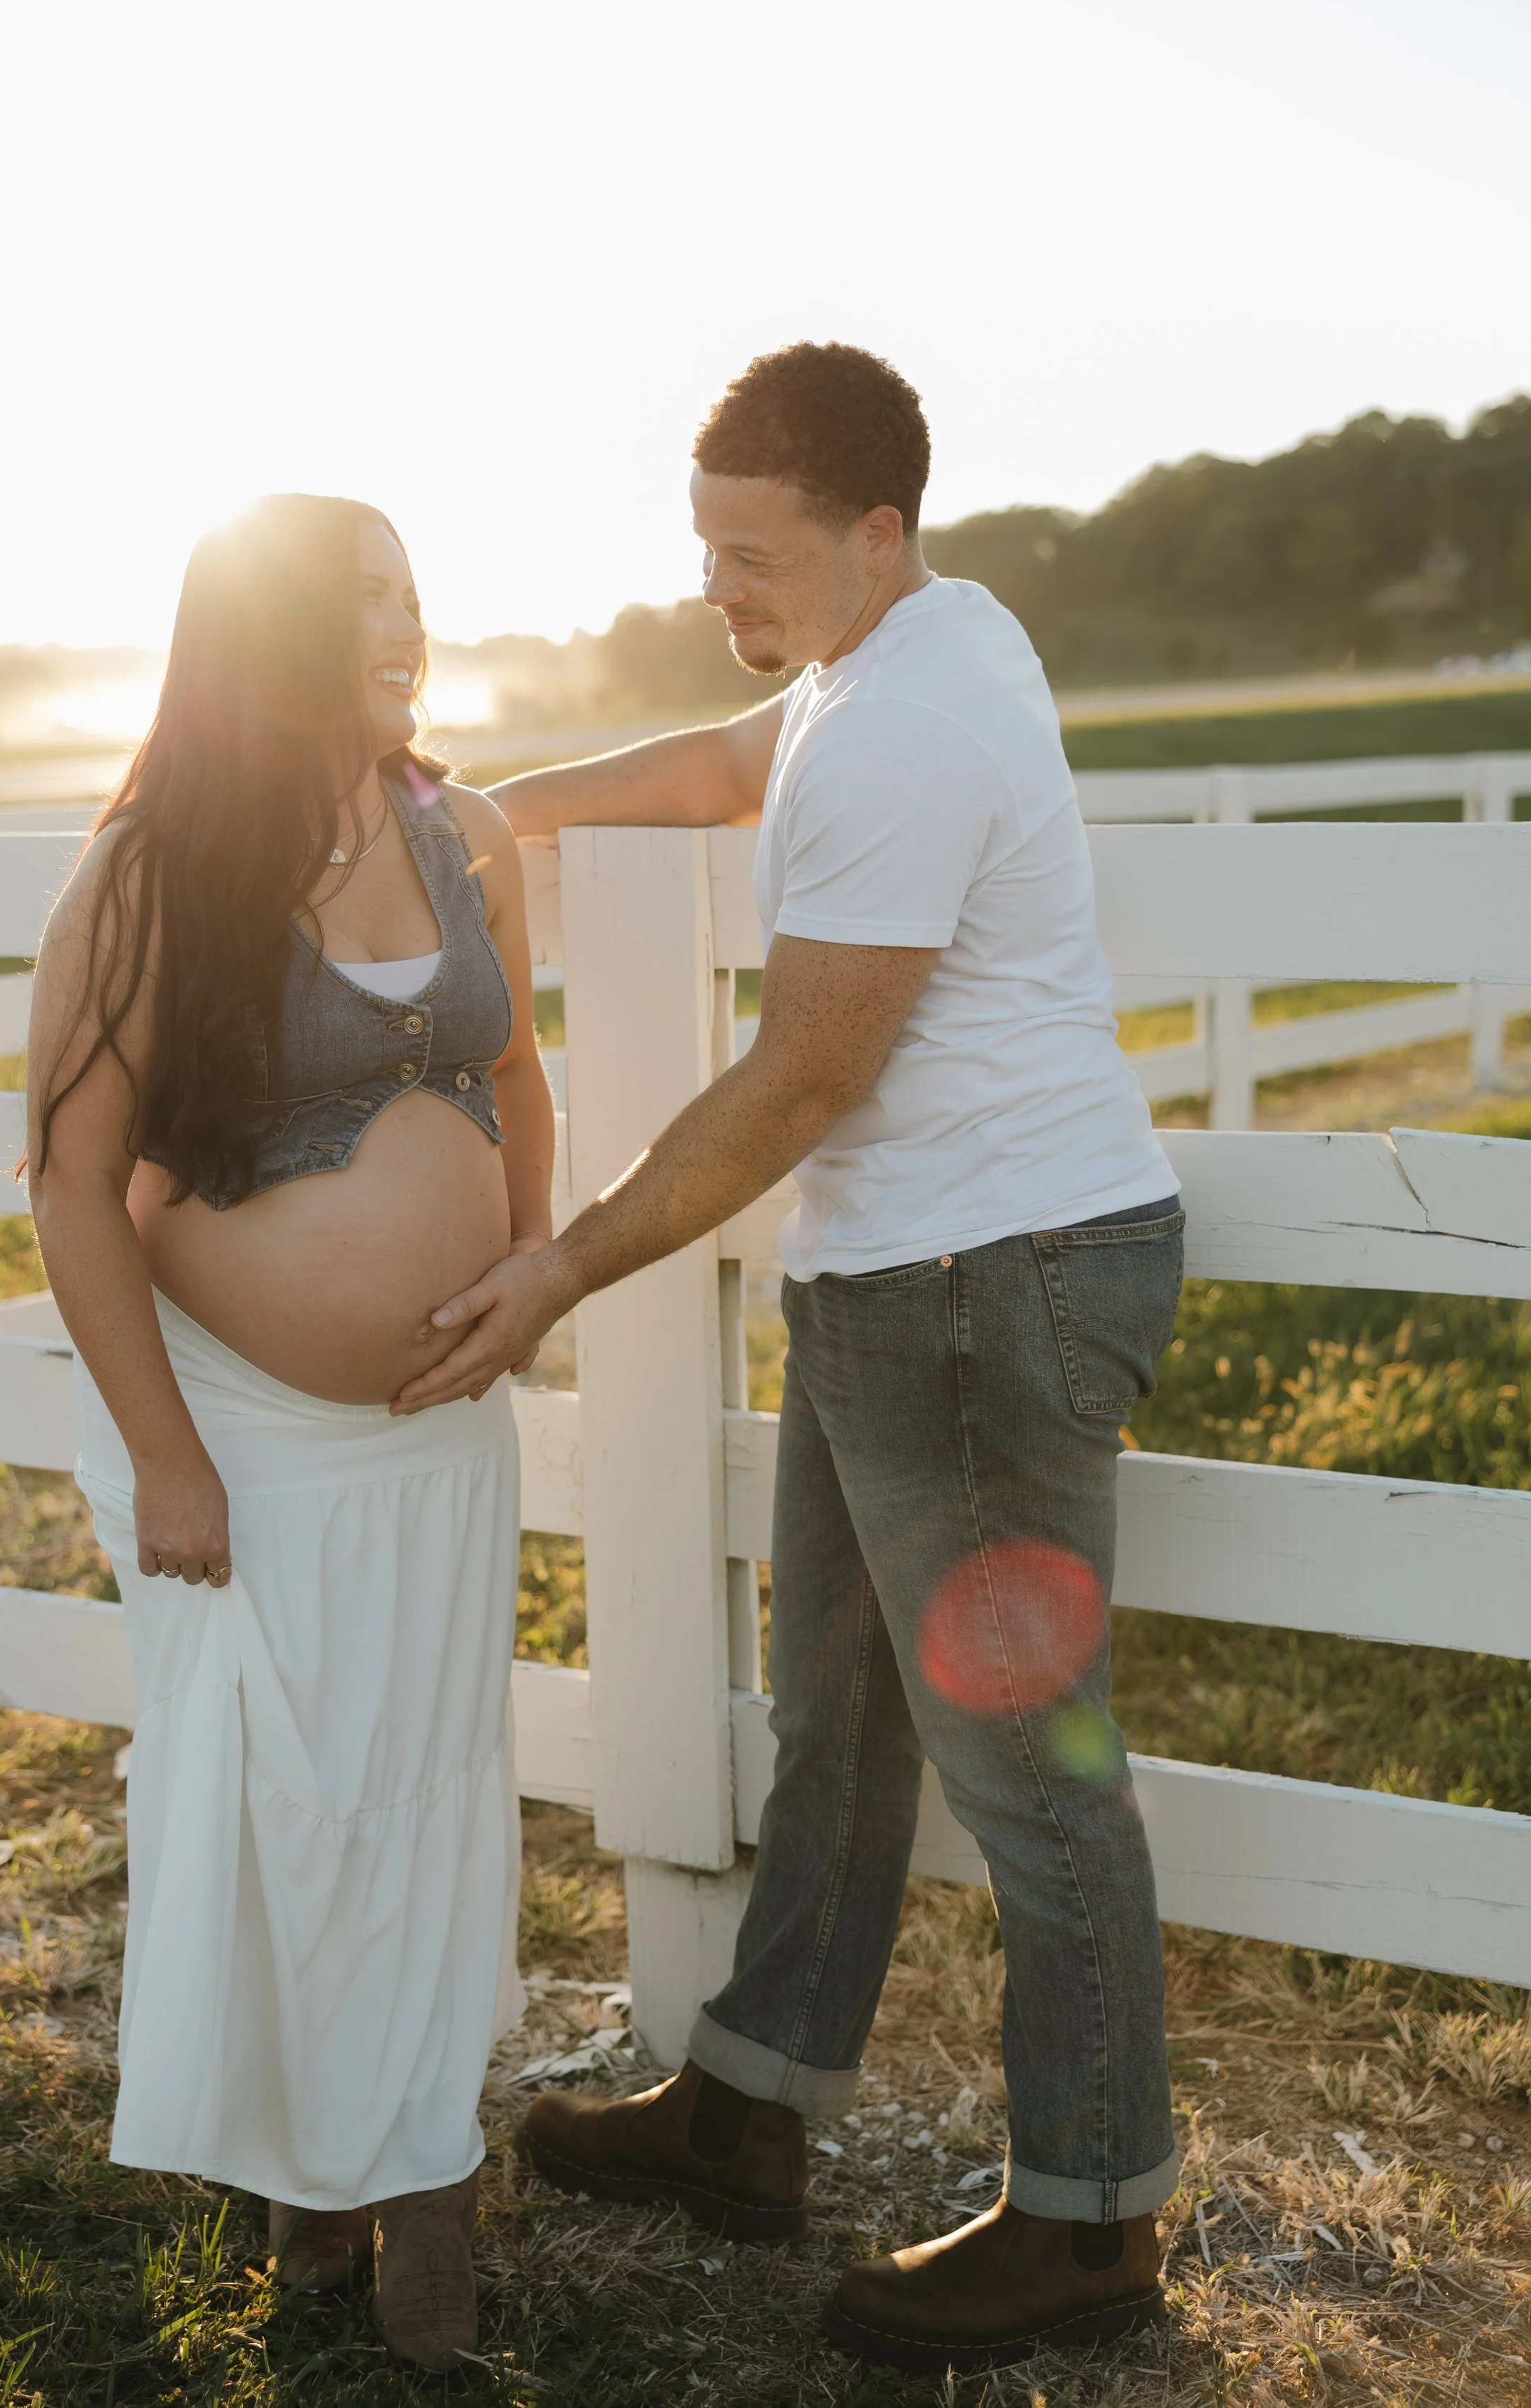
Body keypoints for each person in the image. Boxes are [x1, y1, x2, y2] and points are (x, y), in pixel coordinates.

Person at [393, 345, 1185, 2380]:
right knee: (827, 1717)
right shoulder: (909, 643)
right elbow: (739, 758)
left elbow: (803, 1076)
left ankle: (1091, 2217)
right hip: (899, 1284)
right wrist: (516, 804)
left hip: (981, 1288)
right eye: (705, 553)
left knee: (1030, 1770)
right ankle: (748, 2106)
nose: (724, 592)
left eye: (754, 558)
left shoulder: (911, 716)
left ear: (872, 529)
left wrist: (560, 1260)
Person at [26, 494, 553, 2375]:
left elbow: (507, 1068)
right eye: (354, 606)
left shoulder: (454, 826)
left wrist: (533, 1276)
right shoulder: (154, 872)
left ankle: (396, 2187)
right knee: (287, 1809)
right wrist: (167, 1455)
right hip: (244, 1439)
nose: (399, 628)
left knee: (417, 1799)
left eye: (410, 593)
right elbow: (75, 1184)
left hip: (435, 1440)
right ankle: (331, 2186)